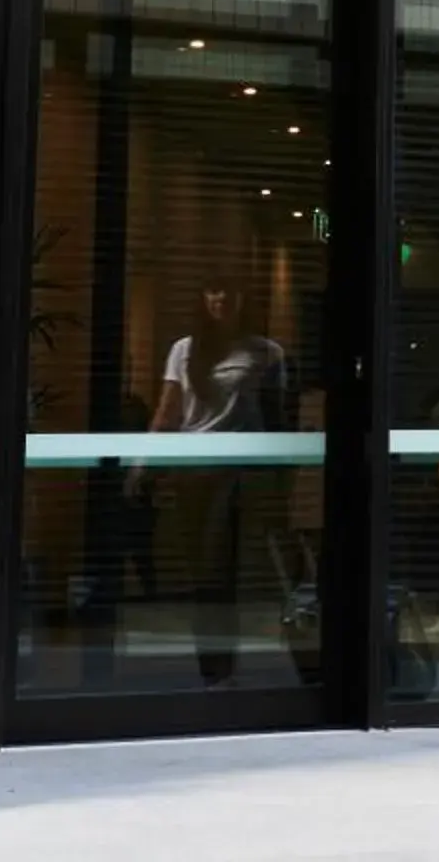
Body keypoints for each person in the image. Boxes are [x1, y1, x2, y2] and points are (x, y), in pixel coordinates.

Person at [147, 284, 289, 686]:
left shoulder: (266, 352)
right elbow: (168, 411)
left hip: (245, 471)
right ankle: (214, 667)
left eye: (228, 292)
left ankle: (235, 665)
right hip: (195, 471)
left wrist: (282, 477)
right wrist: (143, 464)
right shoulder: (184, 350)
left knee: (242, 569)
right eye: (212, 291)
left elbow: (277, 417)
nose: (220, 299)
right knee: (206, 572)